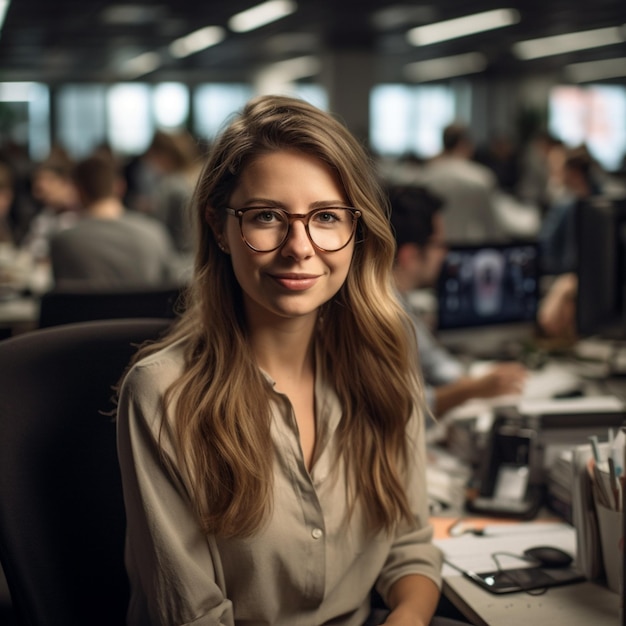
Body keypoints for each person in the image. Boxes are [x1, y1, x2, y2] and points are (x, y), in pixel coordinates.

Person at [116, 96, 461, 626]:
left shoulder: (384, 365)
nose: (299, 247)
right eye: (267, 217)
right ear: (218, 227)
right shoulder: (163, 393)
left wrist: (406, 620)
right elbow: (193, 615)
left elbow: (409, 547)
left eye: (325, 217)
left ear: (357, 228)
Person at [387, 184, 527, 418]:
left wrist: (480, 380)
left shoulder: (401, 301)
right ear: (410, 255)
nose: (445, 253)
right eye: (438, 244)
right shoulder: (382, 316)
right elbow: (403, 411)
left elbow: (433, 361)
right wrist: (471, 389)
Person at [49, 155, 185, 289]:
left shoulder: (63, 241)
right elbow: (171, 288)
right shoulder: (154, 232)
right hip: (145, 311)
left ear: (78, 191)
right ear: (120, 186)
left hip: (93, 312)